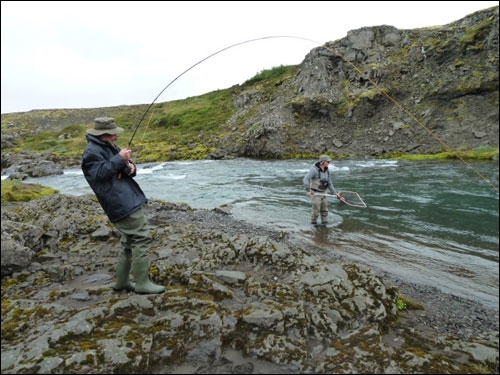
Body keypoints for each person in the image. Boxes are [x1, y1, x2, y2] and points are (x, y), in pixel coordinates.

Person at [81, 117, 165, 294]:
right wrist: (119, 159)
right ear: (103, 134)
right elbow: (98, 174)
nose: (117, 137)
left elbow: (120, 168)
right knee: (141, 237)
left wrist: (130, 167)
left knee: (128, 241)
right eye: (113, 134)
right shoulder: (92, 152)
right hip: (119, 202)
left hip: (125, 198)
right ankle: (142, 283)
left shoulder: (108, 147)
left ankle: (122, 282)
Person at [303, 154, 340, 225]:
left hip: (324, 193)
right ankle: (314, 225)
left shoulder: (327, 170)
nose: (329, 163)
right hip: (315, 194)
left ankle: (325, 225)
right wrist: (308, 190)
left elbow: (329, 183)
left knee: (325, 211)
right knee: (316, 211)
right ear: (323, 162)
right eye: (328, 162)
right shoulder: (313, 170)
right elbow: (305, 179)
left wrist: (335, 193)